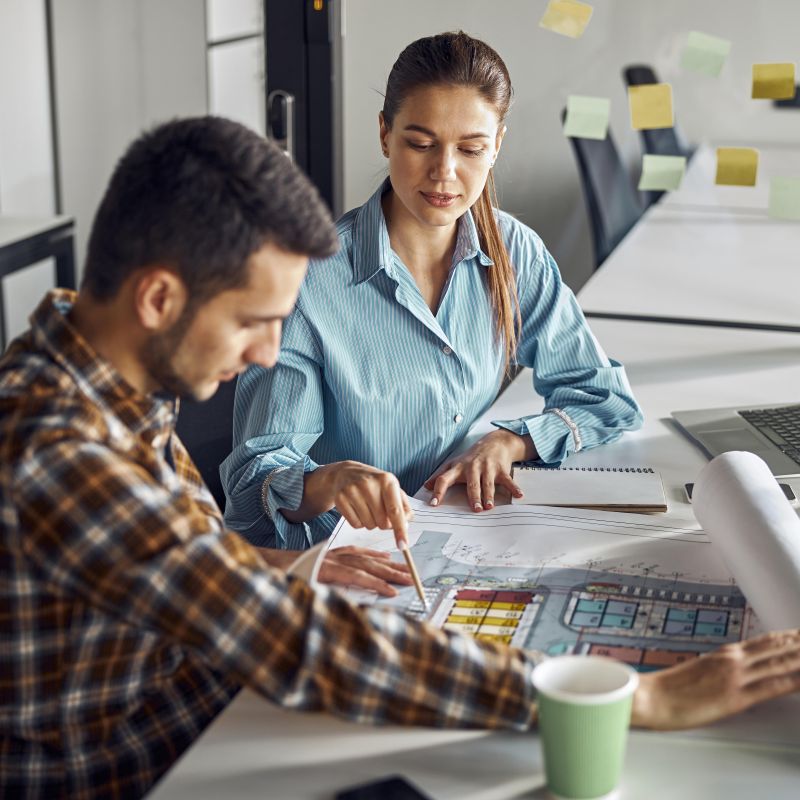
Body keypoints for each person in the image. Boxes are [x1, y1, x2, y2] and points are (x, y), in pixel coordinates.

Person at [2, 117, 799, 800]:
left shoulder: (98, 376)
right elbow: (300, 644)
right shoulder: (60, 453)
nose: (267, 355)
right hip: (153, 770)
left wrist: (287, 565)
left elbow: (154, 559)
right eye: (254, 322)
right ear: (158, 299)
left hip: (214, 723)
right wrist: (625, 700)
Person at [221, 31, 643, 555]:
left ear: (497, 146)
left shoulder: (514, 251)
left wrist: (511, 442)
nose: (444, 172)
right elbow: (254, 482)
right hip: (351, 556)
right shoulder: (309, 283)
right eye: (420, 144)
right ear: (385, 134)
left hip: (465, 538)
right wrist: (328, 482)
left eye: (471, 149)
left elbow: (605, 398)